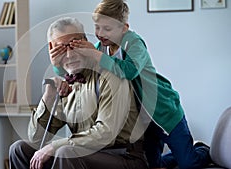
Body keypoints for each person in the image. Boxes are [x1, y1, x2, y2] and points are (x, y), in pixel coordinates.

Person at [51, 0, 212, 169]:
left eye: (107, 28)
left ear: (123, 28)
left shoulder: (133, 43)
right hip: (142, 122)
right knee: (153, 165)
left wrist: (95, 54)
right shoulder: (101, 48)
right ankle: (179, 156)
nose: (100, 33)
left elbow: (129, 71)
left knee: (189, 163)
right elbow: (79, 72)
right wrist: (57, 64)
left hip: (163, 113)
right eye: (97, 27)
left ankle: (200, 148)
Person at [9, 17, 148, 169]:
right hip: (81, 154)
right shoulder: (66, 84)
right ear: (51, 50)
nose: (70, 55)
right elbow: (36, 138)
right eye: (62, 48)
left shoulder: (111, 74)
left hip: (122, 156)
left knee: (66, 152)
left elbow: (106, 134)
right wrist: (48, 97)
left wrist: (54, 146)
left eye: (75, 45)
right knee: (19, 149)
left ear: (85, 41)